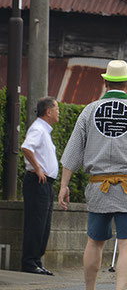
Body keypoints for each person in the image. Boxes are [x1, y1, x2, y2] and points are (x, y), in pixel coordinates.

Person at [58, 60, 127, 290]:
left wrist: (64, 185)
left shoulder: (89, 111)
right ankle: (119, 289)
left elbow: (72, 152)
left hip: (99, 188)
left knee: (95, 242)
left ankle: (90, 289)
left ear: (105, 81)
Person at [20, 97, 60, 275]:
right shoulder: (38, 128)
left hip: (45, 183)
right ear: (48, 111)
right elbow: (26, 147)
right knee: (36, 223)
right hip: (37, 182)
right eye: (56, 108)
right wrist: (38, 168)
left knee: (43, 224)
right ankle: (29, 262)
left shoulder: (45, 130)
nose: (58, 112)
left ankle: (36, 261)